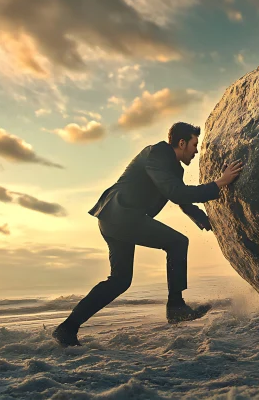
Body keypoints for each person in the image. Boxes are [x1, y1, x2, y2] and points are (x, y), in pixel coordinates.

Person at [52, 122, 244, 347]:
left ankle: (67, 328)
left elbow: (179, 197)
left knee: (120, 280)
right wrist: (221, 182)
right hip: (122, 214)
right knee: (177, 242)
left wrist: (206, 221)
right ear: (181, 143)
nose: (196, 150)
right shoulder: (158, 154)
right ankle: (176, 307)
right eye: (194, 144)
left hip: (114, 218)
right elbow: (175, 191)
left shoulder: (173, 167)